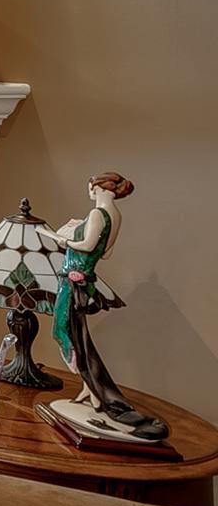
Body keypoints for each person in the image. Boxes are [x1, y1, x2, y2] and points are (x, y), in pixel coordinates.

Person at [44, 172, 167, 441]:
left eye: (90, 187)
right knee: (80, 338)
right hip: (84, 279)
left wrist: (61, 238)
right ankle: (91, 391)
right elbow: (105, 252)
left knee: (64, 332)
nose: (89, 191)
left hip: (72, 281)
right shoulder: (116, 216)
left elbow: (88, 245)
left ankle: (98, 394)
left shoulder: (98, 214)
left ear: (100, 188)